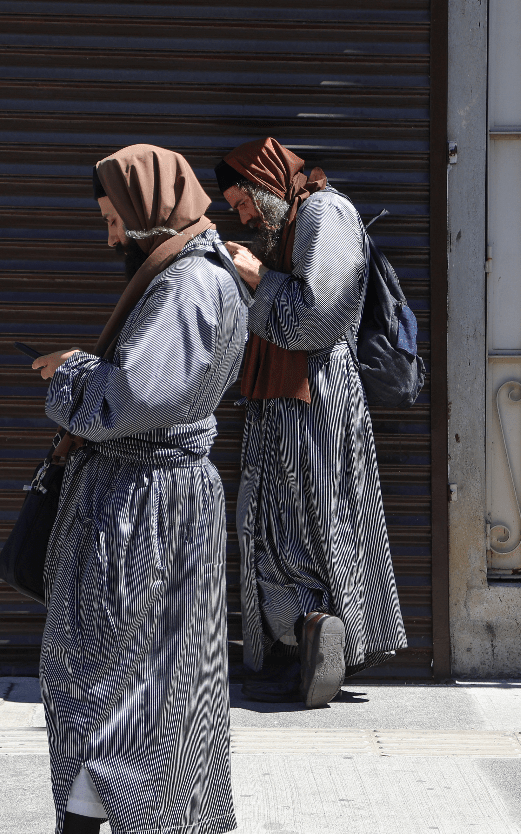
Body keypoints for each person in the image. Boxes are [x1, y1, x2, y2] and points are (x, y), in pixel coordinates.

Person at [0, 145, 245, 834]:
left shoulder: (186, 282)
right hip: (166, 498)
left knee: (94, 671)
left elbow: (128, 403)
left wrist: (67, 370)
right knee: (160, 676)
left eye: (111, 217)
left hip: (139, 504)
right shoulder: (201, 270)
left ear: (146, 204)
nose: (107, 236)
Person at [216, 137, 407, 709]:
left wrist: (256, 278)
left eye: (244, 201)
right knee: (273, 526)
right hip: (280, 401)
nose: (242, 215)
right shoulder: (289, 223)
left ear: (268, 182)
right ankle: (293, 645)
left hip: (317, 400)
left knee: (316, 521)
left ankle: (318, 645)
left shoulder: (328, 213)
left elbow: (317, 319)